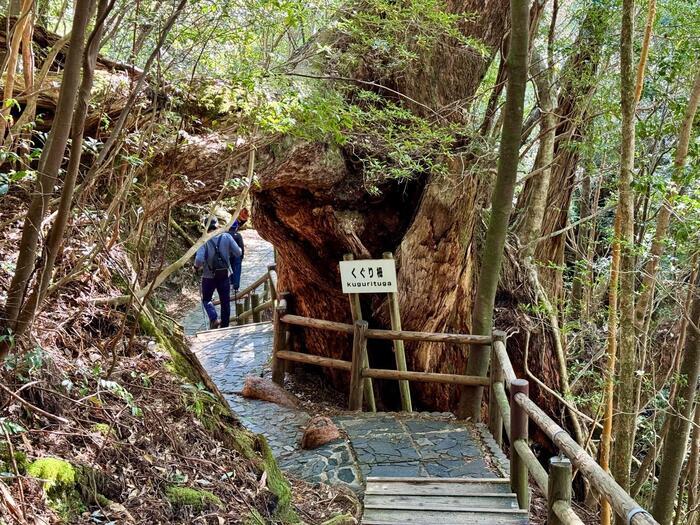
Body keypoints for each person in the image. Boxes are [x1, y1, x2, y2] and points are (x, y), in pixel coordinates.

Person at [194, 217, 242, 329]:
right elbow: (238, 252)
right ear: (217, 225)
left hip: (208, 277)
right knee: (225, 301)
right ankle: (225, 326)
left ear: (205, 227)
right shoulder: (226, 236)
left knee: (206, 299)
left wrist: (196, 267)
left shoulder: (203, 240)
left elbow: (199, 260)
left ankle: (214, 318)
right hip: (224, 275)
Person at [228, 208, 249, 295]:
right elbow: (241, 247)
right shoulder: (238, 235)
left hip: (228, 255)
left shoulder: (226, 235)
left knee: (230, 270)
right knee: (237, 270)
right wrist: (242, 256)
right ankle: (236, 288)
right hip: (237, 256)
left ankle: (230, 285)